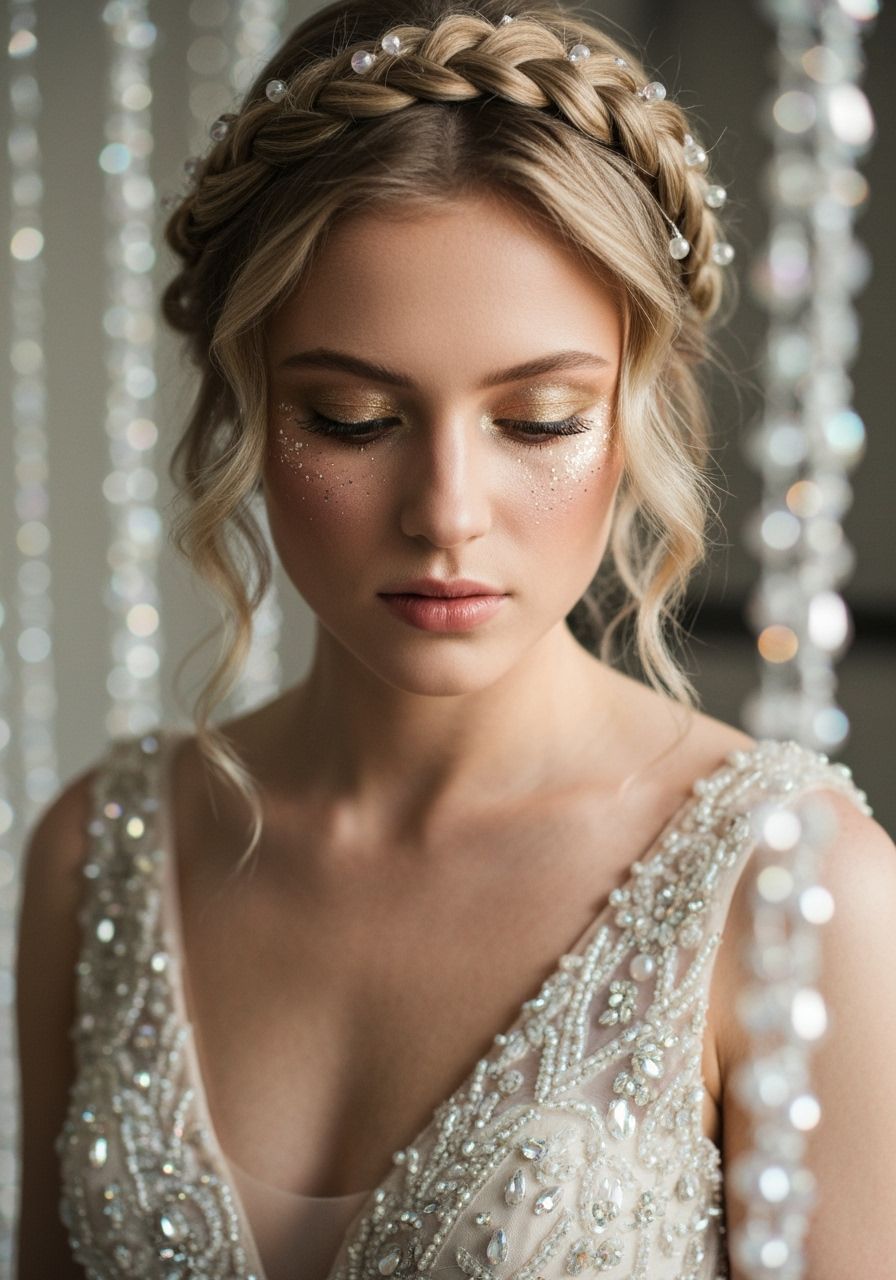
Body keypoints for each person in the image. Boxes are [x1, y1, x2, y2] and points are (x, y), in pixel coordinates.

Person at [14, 1, 896, 1277]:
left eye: (538, 420)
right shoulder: (99, 853)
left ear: (637, 410)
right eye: (351, 415)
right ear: (245, 404)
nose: (445, 514)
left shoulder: (801, 895)